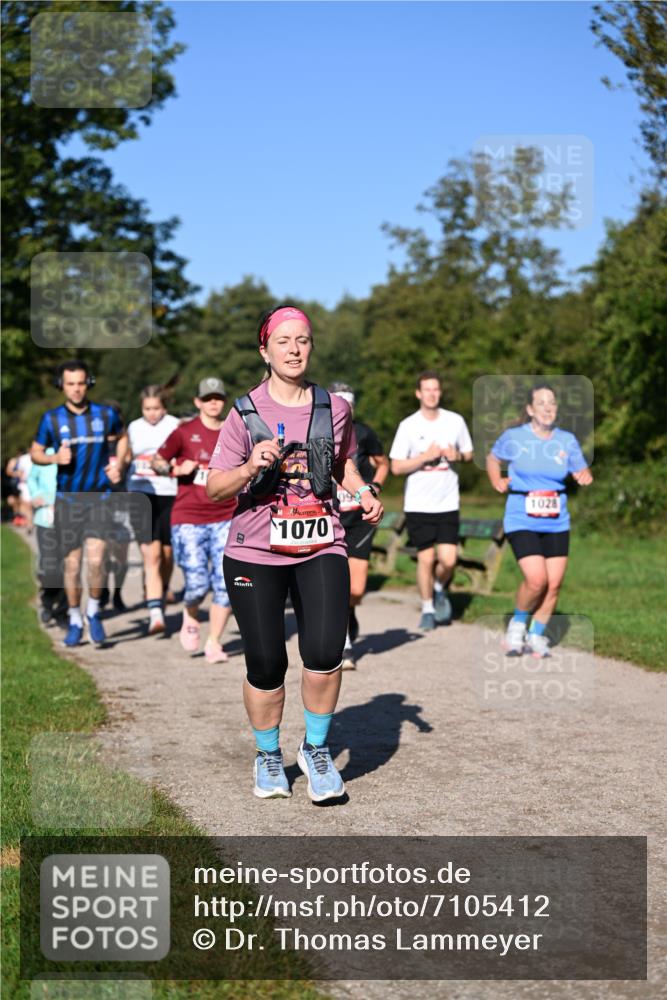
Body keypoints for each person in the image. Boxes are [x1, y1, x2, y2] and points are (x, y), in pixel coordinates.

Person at [207, 305, 383, 803]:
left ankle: (316, 750)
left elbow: (344, 461)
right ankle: (268, 755)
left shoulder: (333, 407)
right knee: (265, 662)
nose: (294, 349)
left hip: (321, 542)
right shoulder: (245, 412)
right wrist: (247, 469)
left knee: (326, 653)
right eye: (283, 341)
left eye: (302, 340)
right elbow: (216, 487)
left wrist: (362, 490)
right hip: (254, 551)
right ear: (265, 349)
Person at [486, 382, 593, 657]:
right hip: (522, 515)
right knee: (536, 580)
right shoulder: (514, 437)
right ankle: (517, 628)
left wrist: (584, 475)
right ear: (530, 409)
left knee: (554, 583)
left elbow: (581, 468)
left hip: (557, 518)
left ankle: (536, 636)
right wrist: (496, 479)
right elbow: (492, 458)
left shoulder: (566, 440)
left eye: (552, 403)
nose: (548, 408)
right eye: (542, 403)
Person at [30, 361, 124, 647]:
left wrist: (119, 463)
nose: (76, 389)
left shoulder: (105, 414)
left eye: (81, 383)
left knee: (96, 561)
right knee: (72, 566)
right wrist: (53, 458)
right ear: (62, 385)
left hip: (100, 497)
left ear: (89, 383)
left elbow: (122, 438)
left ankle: (93, 612)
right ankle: (73, 618)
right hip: (67, 500)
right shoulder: (52, 419)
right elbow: (35, 452)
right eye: (70, 383)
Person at [152, 377, 236, 661]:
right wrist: (174, 469)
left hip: (226, 515)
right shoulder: (184, 432)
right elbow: (157, 461)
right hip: (189, 517)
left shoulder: (234, 432)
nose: (214, 402)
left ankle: (214, 641)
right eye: (208, 398)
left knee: (226, 583)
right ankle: (190, 615)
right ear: (197, 402)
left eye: (218, 398)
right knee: (198, 584)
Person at [389, 371, 473, 631]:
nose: (432, 394)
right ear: (418, 393)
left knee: (449, 560)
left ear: (440, 392)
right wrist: (425, 457)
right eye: (427, 389)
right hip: (418, 504)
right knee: (426, 559)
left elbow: (469, 455)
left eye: (436, 389)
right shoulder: (408, 426)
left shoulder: (455, 421)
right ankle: (427, 609)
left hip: (448, 502)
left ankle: (438, 589)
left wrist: (455, 454)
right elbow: (396, 467)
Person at [328, 381, 389, 670]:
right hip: (330, 518)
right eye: (341, 401)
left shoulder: (364, 433)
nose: (346, 407)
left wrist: (374, 485)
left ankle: (349, 614)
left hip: (360, 519)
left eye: (350, 402)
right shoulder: (320, 431)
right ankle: (344, 643)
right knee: (336, 583)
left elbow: (382, 462)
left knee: (357, 588)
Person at [122, 383, 180, 635]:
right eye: (147, 409)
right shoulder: (134, 427)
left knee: (167, 554)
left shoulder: (175, 425)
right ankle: (155, 613)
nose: (152, 413)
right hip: (140, 492)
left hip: (169, 492)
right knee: (152, 554)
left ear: (164, 407)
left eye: (156, 408)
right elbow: (125, 455)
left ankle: (159, 588)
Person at [27, 448, 68, 626]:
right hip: (45, 518)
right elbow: (31, 478)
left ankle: (62, 611)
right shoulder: (45, 454)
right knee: (50, 565)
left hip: (69, 517)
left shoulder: (73, 452)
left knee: (67, 566)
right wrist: (37, 495)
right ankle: (47, 602)